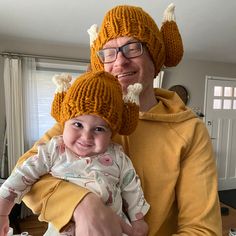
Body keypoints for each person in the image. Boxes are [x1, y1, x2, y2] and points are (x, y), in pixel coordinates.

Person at [15, 3, 222, 236]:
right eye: (109, 52)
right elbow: (24, 173)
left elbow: (203, 229)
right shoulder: (82, 116)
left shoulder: (190, 131)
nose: (119, 62)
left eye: (133, 48)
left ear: (156, 59)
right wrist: (82, 205)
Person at [0, 71, 149, 236]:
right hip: (63, 228)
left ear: (111, 133)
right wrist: (3, 211)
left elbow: (132, 188)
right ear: (64, 123)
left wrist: (138, 220)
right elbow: (21, 175)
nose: (86, 137)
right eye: (78, 124)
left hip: (111, 228)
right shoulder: (54, 149)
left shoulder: (118, 156)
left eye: (99, 129)